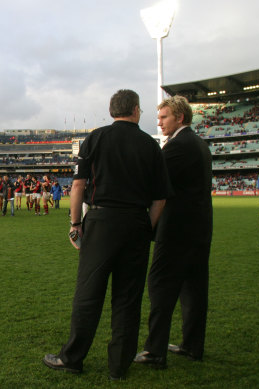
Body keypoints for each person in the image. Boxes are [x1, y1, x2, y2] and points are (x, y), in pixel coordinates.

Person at [43, 89, 169, 381]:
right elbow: (160, 198)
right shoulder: (150, 145)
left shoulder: (96, 138)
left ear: (113, 110)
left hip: (101, 220)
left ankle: (72, 358)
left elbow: (77, 186)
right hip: (136, 221)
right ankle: (119, 367)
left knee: (88, 293)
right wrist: (145, 225)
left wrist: (76, 224)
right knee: (128, 298)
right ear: (136, 110)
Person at [134, 96, 213, 369]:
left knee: (160, 286)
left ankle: (154, 352)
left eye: (164, 117)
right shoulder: (199, 144)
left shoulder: (178, 146)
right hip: (199, 231)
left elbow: (154, 183)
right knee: (194, 290)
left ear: (180, 117)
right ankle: (192, 346)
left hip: (177, 231)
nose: (159, 122)